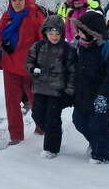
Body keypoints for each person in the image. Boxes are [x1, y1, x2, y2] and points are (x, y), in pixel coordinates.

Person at [70, 10, 109, 164]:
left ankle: (101, 155)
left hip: (103, 95)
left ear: (92, 31)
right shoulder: (81, 46)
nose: (78, 34)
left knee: (98, 126)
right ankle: (94, 142)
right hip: (83, 93)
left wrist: (103, 96)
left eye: (81, 31)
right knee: (79, 121)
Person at [0, 0, 46, 143]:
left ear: (25, 0)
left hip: (30, 68)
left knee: (36, 100)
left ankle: (41, 125)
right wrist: (2, 44)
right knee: (11, 102)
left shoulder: (36, 16)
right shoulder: (6, 16)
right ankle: (16, 135)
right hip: (10, 66)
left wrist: (39, 60)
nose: (17, 2)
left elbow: (43, 41)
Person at [25, 15, 77, 158]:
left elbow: (73, 72)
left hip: (57, 91)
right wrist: (32, 69)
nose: (54, 36)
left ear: (62, 33)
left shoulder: (68, 50)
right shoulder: (38, 46)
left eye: (57, 33)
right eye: (50, 33)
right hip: (40, 88)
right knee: (37, 114)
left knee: (52, 118)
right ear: (45, 33)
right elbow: (29, 61)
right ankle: (52, 133)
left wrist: (69, 92)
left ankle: (51, 148)